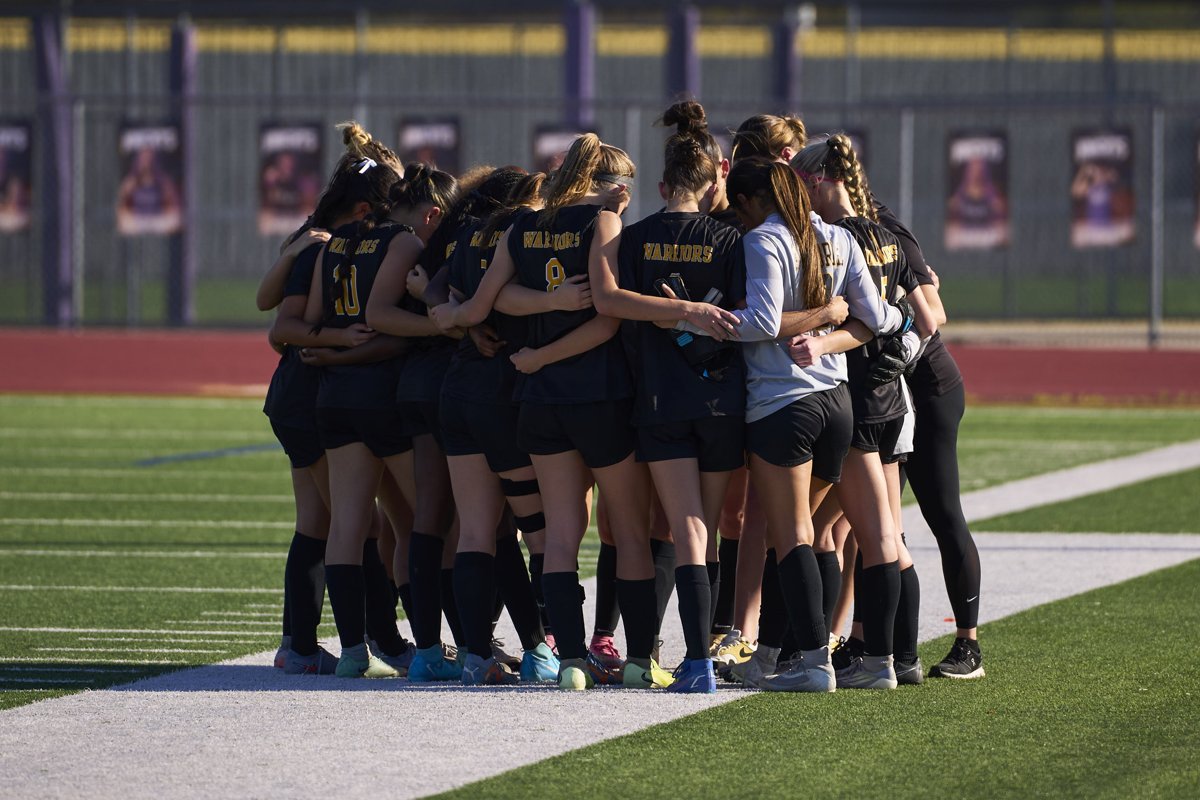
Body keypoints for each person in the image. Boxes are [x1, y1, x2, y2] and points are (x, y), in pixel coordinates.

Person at [431, 134, 675, 691]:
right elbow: (607, 319)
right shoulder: (602, 224)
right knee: (630, 533)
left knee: (560, 535)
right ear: (613, 186)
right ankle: (638, 660)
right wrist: (544, 352)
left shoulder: (524, 226)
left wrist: (518, 341)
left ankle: (570, 661)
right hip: (596, 395)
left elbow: (494, 299)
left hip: (538, 402)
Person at [722, 156, 905, 692]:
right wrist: (836, 324)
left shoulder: (764, 240)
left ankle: (813, 662)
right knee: (794, 536)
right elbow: (871, 319)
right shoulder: (836, 237)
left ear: (753, 201)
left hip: (784, 406)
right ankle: (771, 657)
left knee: (794, 535)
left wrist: (697, 317)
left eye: (741, 208)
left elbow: (759, 321)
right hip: (837, 404)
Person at [591, 125, 745, 692]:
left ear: (661, 183)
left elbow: (619, 308)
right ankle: (702, 654)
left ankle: (680, 659)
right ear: (711, 183)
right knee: (708, 526)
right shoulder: (729, 240)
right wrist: (696, 314)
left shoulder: (634, 239)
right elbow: (743, 317)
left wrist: (669, 315)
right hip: (721, 399)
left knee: (682, 528)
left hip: (659, 398)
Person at [261, 122, 409, 675]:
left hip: (304, 392)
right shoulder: (326, 242)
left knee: (321, 522)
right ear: (370, 202)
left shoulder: (321, 233)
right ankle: (377, 640)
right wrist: (338, 339)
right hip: (308, 391)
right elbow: (282, 328)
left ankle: (299, 643)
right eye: (398, 197)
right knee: (352, 525)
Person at [792, 133, 938, 688]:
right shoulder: (889, 236)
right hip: (890, 400)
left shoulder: (831, 241)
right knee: (885, 534)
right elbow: (924, 321)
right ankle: (900, 657)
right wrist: (897, 355)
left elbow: (839, 316)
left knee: (830, 531)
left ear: (817, 181)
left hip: (848, 398)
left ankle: (868, 657)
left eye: (802, 184)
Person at [427, 167, 564, 685]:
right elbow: (509, 297)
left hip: (458, 389)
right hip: (502, 390)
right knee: (541, 534)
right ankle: (552, 649)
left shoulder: (470, 232)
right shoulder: (522, 231)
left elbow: (434, 290)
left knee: (479, 533)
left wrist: (465, 316)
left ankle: (475, 655)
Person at [872, 199, 984, 680]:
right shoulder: (828, 230)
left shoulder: (885, 231)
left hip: (928, 385)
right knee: (878, 523)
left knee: (941, 512)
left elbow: (933, 309)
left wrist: (901, 334)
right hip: (886, 391)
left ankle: (968, 645)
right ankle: (869, 641)